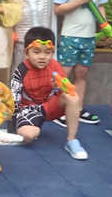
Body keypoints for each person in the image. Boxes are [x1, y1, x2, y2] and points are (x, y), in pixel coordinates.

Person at [53, 0, 108, 127]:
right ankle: (60, 108)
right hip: (70, 35)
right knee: (64, 74)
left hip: (89, 36)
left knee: (82, 74)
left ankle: (77, 108)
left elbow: (101, 6)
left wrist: (104, 24)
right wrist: (79, 2)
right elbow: (58, 9)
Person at [9, 27, 86, 160]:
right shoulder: (21, 71)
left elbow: (67, 89)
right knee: (29, 136)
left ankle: (72, 140)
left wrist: (60, 87)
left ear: (53, 52)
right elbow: (14, 100)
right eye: (36, 52)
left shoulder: (54, 65)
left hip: (49, 106)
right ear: (26, 53)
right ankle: (31, 126)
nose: (42, 57)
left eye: (48, 52)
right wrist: (12, 128)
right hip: (28, 109)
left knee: (72, 97)